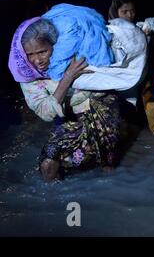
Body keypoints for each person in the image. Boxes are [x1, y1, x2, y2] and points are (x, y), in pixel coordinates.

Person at [8, 18, 121, 182]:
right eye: (30, 54)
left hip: (101, 115)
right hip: (69, 123)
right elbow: (45, 112)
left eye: (42, 52)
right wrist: (67, 78)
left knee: (107, 167)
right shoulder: (27, 75)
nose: (37, 60)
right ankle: (54, 202)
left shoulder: (73, 53)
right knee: (48, 165)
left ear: (54, 45)